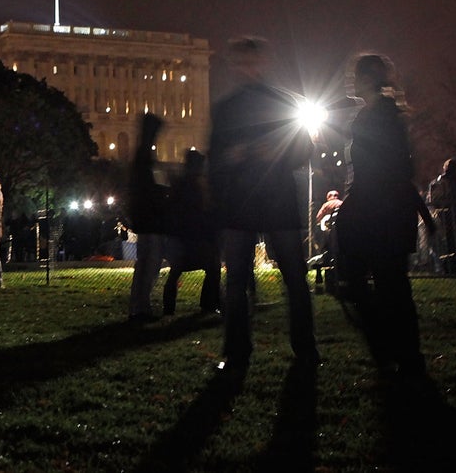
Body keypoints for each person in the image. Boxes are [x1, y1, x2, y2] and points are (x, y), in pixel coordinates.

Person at [208, 36, 317, 375]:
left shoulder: (270, 103)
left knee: (291, 278)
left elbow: (303, 148)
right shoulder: (235, 108)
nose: (247, 68)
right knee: (243, 280)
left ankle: (300, 347)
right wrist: (232, 157)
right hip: (252, 201)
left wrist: (273, 154)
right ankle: (244, 349)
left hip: (263, 199)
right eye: (242, 63)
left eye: (250, 62)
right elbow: (215, 158)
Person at [334, 54, 434, 379]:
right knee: (385, 284)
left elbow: (392, 170)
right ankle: (400, 353)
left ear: (366, 79)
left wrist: (357, 201)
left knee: (383, 284)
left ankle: (396, 353)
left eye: (355, 76)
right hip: (381, 211)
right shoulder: (379, 115)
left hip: (380, 212)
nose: (351, 82)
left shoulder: (378, 118)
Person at [162, 149, 221, 315]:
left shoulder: (182, 184)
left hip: (184, 238)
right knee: (212, 266)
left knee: (177, 272)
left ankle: (169, 307)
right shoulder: (194, 186)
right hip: (192, 238)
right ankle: (209, 303)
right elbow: (199, 212)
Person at [127, 113, 168, 322]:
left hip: (146, 217)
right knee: (148, 263)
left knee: (146, 263)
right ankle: (140, 307)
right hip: (149, 218)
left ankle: (139, 305)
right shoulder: (145, 156)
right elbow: (148, 188)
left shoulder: (143, 154)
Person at [427, 159, 456, 276]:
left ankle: (448, 268)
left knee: (446, 244)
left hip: (441, 217)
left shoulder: (436, 182)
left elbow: (430, 200)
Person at [311, 189, 344, 294]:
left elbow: (318, 218)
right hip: (341, 232)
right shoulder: (341, 203)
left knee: (326, 244)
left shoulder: (326, 205)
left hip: (329, 233)